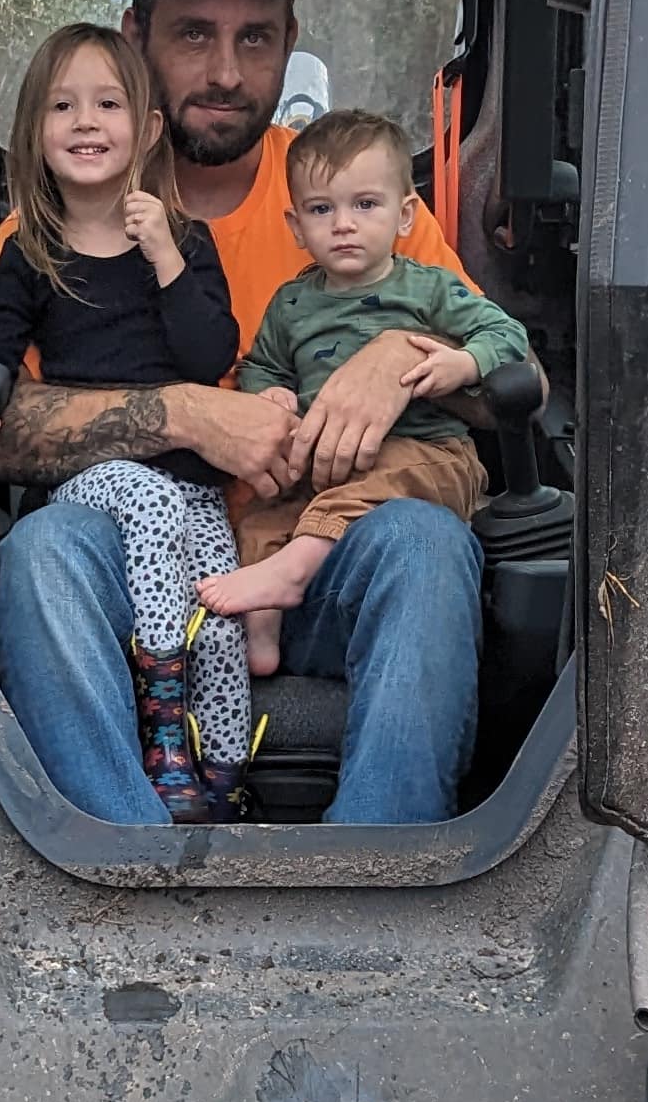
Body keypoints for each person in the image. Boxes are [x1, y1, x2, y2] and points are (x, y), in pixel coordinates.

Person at [0, 0, 489, 826]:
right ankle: (129, 867)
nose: (227, 72)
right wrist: (189, 414)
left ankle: (376, 875)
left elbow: (504, 387)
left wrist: (396, 357)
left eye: (255, 38)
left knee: (425, 541)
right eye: (194, 34)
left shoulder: (350, 197)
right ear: (137, 37)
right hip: (132, 571)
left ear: (290, 46)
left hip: (314, 567)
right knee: (44, 549)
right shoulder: (53, 226)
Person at [0, 22, 251, 817]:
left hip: (191, 490)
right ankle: (163, 734)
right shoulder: (29, 250)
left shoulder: (186, 242)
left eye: (107, 104)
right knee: (144, 495)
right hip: (91, 483)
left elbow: (208, 357)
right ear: (34, 130)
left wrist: (164, 255)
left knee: (222, 618)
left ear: (148, 129)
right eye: (63, 106)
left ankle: (222, 781)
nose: (85, 121)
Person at [202, 108, 535, 677]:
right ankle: (262, 633)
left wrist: (462, 362)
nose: (343, 225)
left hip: (426, 454)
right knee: (261, 517)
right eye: (321, 210)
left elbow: (507, 336)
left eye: (364, 205)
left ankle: (295, 570)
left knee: (381, 478)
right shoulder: (291, 303)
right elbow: (263, 365)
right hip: (324, 467)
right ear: (296, 226)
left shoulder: (428, 288)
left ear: (404, 215)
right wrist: (271, 394)